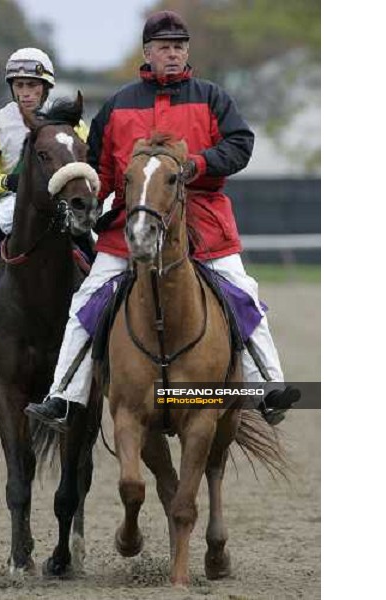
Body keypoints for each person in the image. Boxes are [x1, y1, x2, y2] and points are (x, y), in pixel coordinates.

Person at [25, 11, 299, 430]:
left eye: (179, 47)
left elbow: (241, 144)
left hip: (202, 219)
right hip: (130, 224)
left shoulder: (212, 97)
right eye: (164, 48)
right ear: (147, 53)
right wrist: (87, 200)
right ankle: (64, 396)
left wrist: (201, 162)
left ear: (187, 52)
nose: (173, 54)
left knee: (243, 292)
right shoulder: (117, 106)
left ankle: (270, 389)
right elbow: (101, 169)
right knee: (87, 299)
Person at [0, 47, 89, 297]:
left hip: (61, 196)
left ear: (45, 87)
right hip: (16, 199)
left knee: (85, 219)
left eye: (32, 85)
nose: (26, 93)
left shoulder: (70, 124)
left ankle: (96, 266)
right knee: (10, 214)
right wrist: (6, 181)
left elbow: (84, 163)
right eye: (20, 85)